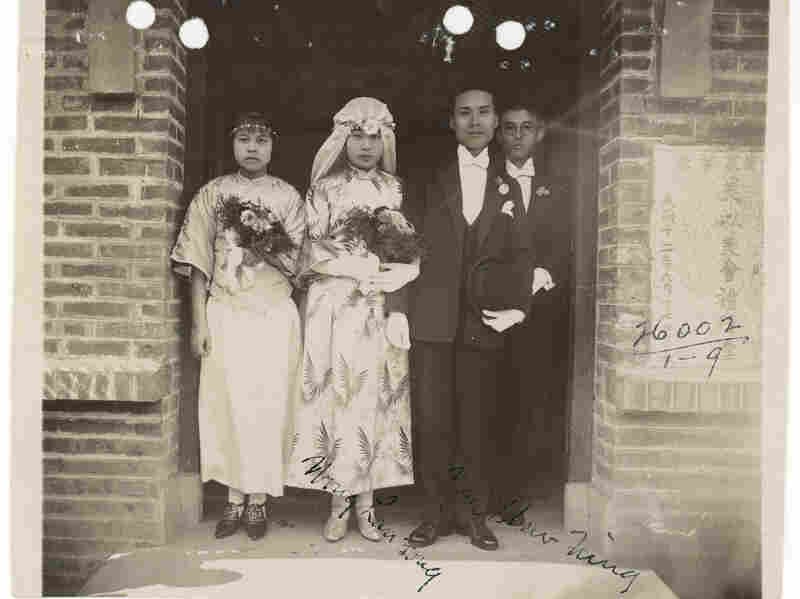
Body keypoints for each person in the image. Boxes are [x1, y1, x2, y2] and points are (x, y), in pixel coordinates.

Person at [405, 87, 532, 551]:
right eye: (465, 114)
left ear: (496, 121)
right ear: (451, 122)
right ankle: (432, 516)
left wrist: (519, 307)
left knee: (477, 423)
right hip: (433, 322)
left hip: (484, 324)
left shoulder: (510, 185)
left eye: (483, 113)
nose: (474, 121)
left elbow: (521, 255)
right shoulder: (428, 178)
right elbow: (403, 247)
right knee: (434, 420)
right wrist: (400, 310)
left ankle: (475, 517)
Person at [286, 97, 418, 542]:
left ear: (386, 140)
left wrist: (394, 276)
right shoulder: (324, 189)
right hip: (334, 304)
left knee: (374, 399)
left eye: (374, 137)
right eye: (357, 136)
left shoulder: (395, 189)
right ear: (343, 139)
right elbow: (311, 251)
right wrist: (353, 267)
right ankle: (338, 502)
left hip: (376, 304)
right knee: (339, 397)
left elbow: (405, 247)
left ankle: (369, 504)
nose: (365, 146)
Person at [170, 112, 305, 541]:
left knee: (267, 404)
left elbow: (302, 266)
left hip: (272, 313)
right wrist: (198, 323)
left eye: (261, 140)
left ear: (273, 146)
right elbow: (197, 262)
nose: (252, 147)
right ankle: (232, 499)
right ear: (232, 144)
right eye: (244, 139)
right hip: (226, 311)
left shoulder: (288, 197)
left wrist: (265, 245)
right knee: (226, 402)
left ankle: (259, 500)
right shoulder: (213, 194)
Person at [492, 103, 571, 520]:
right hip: (491, 307)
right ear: (499, 134)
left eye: (527, 128)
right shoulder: (487, 179)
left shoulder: (557, 184)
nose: (518, 136)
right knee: (490, 400)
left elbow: (567, 241)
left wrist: (544, 276)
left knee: (528, 402)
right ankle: (483, 490)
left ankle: (514, 494)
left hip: (540, 311)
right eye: (509, 129)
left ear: (540, 133)